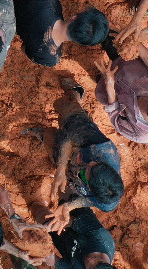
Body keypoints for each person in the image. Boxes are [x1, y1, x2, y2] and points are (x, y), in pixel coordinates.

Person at [33, 77, 124, 231]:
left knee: (53, 145)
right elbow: (68, 137)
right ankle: (74, 93)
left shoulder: (108, 200)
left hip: (74, 166)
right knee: (64, 109)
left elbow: (91, 201)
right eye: (97, 163)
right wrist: (60, 170)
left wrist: (69, 206)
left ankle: (43, 134)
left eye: (89, 169)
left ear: (91, 186)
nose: (91, 163)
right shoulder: (101, 149)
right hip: (82, 136)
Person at [12, 0, 109, 67]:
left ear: (74, 17)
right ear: (80, 42)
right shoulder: (51, 58)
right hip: (12, 25)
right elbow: (25, 48)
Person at [27, 204, 115, 269]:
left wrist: (45, 255)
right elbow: (70, 221)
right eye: (98, 262)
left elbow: (54, 260)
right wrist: (53, 224)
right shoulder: (100, 237)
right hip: (74, 212)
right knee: (42, 215)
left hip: (63, 241)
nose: (90, 260)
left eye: (91, 268)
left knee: (32, 243)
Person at [94, 47, 148, 144]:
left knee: (101, 80)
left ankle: (101, 78)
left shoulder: (140, 134)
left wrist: (109, 85)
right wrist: (134, 45)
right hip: (128, 63)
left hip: (113, 89)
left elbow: (114, 114)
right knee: (111, 42)